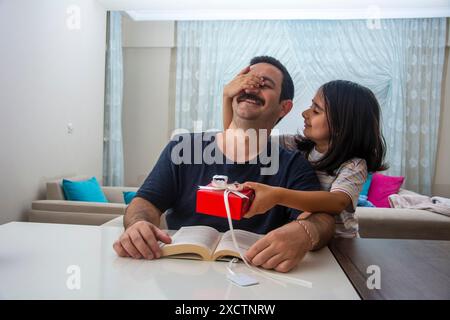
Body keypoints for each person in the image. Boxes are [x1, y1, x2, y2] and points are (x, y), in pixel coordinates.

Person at [113, 56, 335, 273]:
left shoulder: (291, 163)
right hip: (178, 273)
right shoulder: (182, 148)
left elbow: (322, 219)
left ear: (284, 108)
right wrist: (137, 224)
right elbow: (145, 202)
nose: (250, 88)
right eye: (244, 82)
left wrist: (305, 233)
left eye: (264, 84)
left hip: (257, 280)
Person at [223, 72, 387, 238]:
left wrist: (277, 195)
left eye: (316, 110)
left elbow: (337, 202)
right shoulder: (297, 145)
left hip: (339, 245)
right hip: (304, 238)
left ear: (341, 125)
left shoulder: (354, 165)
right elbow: (239, 139)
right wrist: (227, 98)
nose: (305, 113)